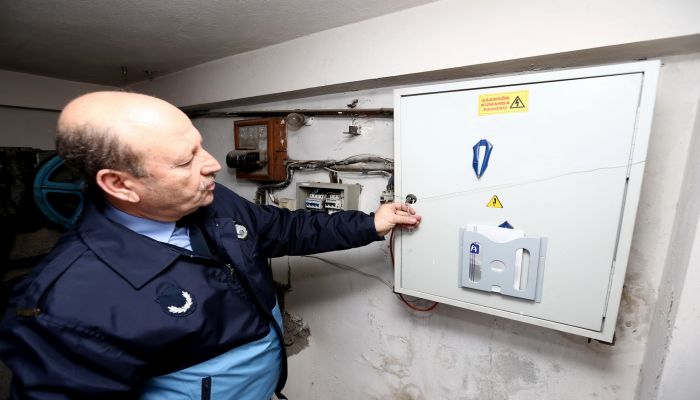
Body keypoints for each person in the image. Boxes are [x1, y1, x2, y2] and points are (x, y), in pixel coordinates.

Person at [0, 91, 420, 399]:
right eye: (186, 160)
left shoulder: (215, 201)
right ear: (120, 184)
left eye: (199, 146)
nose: (213, 164)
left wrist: (370, 223)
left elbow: (284, 229)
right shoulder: (65, 306)